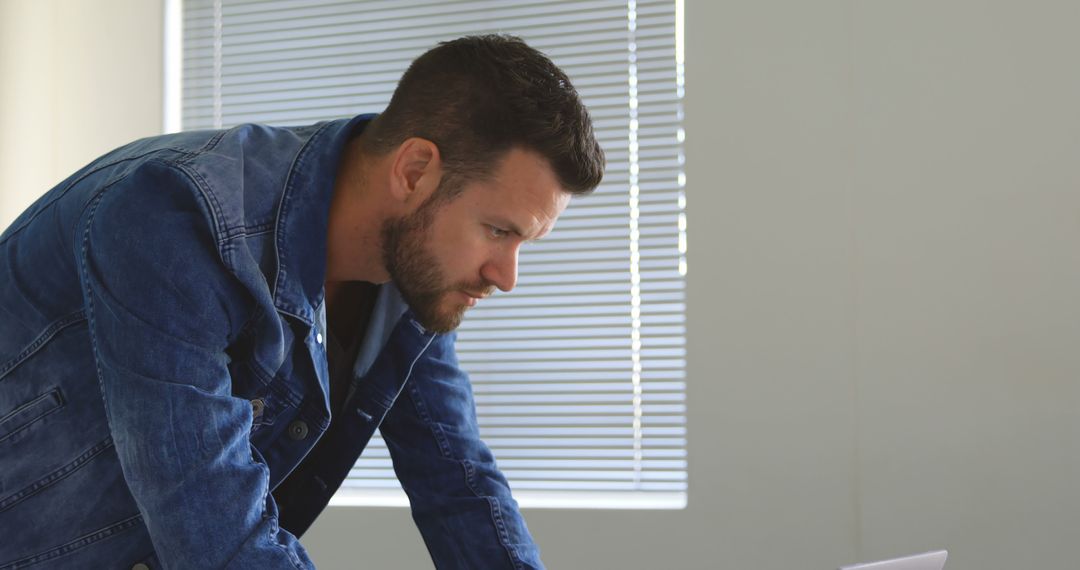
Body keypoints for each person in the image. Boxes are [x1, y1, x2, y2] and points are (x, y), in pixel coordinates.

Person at [0, 34, 604, 569]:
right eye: (499, 231)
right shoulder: (176, 217)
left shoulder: (407, 277)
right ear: (415, 169)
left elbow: (459, 483)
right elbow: (214, 531)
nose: (507, 276)